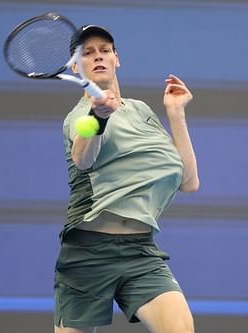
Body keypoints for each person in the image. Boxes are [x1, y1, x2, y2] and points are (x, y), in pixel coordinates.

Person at [54, 24, 199, 333]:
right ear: (75, 67)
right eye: (88, 53)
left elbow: (189, 182)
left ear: (117, 58)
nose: (98, 56)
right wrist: (98, 116)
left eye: (105, 50)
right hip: (87, 254)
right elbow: (83, 158)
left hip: (140, 252)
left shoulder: (142, 111)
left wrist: (175, 113)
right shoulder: (80, 117)